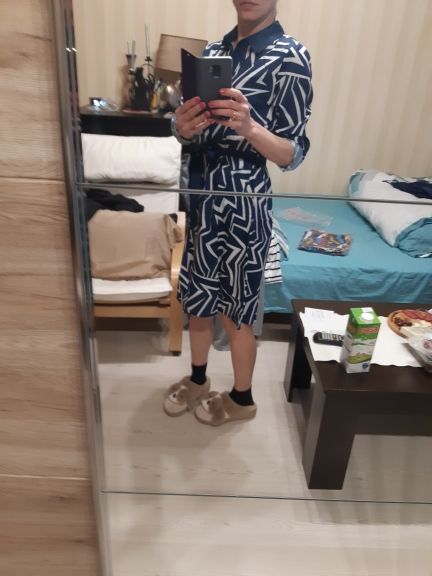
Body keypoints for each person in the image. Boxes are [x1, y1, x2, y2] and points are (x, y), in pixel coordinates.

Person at [163, 0, 313, 426]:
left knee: (237, 309)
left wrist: (249, 127)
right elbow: (189, 133)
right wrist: (181, 128)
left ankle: (243, 399)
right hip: (203, 197)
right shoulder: (213, 53)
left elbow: (291, 153)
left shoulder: (291, 57)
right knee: (197, 299)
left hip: (246, 202)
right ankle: (197, 379)